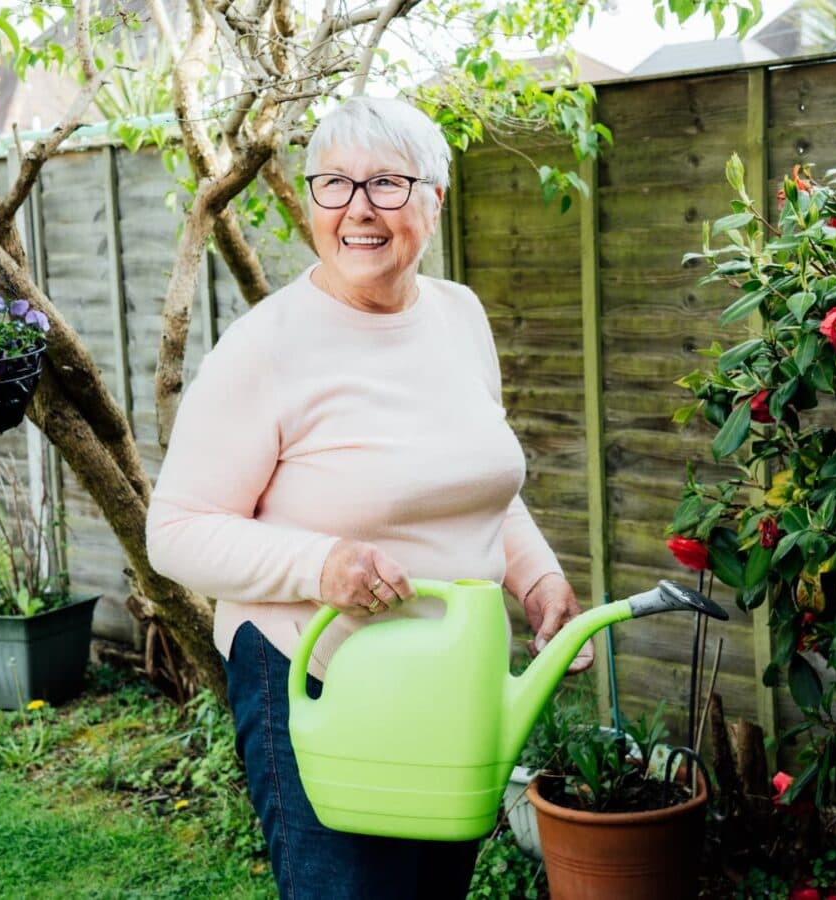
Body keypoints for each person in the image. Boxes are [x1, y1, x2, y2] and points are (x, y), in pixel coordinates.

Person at [145, 95, 593, 900]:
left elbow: (478, 481)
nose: (357, 209)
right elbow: (174, 532)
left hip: (450, 680)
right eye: (334, 185)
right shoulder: (265, 348)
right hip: (317, 678)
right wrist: (324, 565)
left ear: (434, 200)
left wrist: (537, 578)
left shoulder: (460, 317)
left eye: (387, 184)